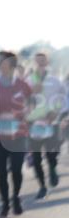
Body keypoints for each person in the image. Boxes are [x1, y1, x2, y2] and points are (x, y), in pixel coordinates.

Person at [0, 51, 33, 217]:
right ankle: (5, 203)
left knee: (17, 169)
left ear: (12, 65)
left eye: (2, 61)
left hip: (18, 134)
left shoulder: (23, 86)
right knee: (1, 172)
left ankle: (16, 197)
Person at [26, 51, 64, 198]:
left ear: (47, 62)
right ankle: (42, 186)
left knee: (51, 154)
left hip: (51, 121)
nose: (40, 62)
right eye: (38, 60)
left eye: (43, 60)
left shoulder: (55, 80)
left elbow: (62, 98)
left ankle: (53, 170)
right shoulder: (29, 80)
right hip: (35, 122)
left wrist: (56, 112)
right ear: (34, 62)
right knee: (36, 157)